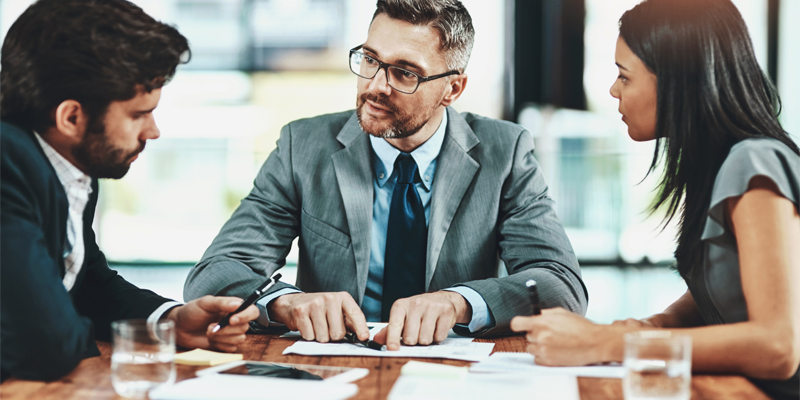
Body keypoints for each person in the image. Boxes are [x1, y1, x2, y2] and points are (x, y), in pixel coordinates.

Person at [184, 0, 587, 351]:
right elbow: (215, 273)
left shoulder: (507, 151)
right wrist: (285, 303)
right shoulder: (302, 146)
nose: (376, 86)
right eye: (371, 60)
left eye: (405, 73)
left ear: (453, 89)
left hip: (454, 376)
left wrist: (458, 302)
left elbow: (559, 285)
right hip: (328, 369)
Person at [509, 0, 800, 398]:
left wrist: (606, 344)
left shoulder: (754, 162)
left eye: (624, 77)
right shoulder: (718, 165)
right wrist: (651, 325)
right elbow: (723, 287)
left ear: (677, 81)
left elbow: (779, 347)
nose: (613, 90)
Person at [0, 0, 260, 382]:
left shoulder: (64, 163)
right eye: (138, 114)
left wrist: (170, 321)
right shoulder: (9, 163)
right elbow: (47, 343)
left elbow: (84, 280)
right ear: (71, 117)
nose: (152, 131)